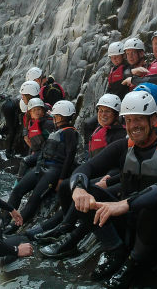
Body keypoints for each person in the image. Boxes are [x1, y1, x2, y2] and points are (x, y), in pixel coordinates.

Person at [65, 91, 157, 288]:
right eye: (128, 120)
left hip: (155, 224)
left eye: (138, 119)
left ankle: (133, 262)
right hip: (127, 219)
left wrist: (126, 204)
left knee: (153, 208)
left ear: (153, 120)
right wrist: (78, 189)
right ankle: (115, 249)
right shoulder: (123, 146)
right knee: (86, 192)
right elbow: (87, 168)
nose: (133, 126)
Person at [30, 93, 126, 253]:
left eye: (107, 111)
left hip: (109, 178)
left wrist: (107, 179)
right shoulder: (98, 129)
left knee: (83, 190)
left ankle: (66, 229)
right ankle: (65, 224)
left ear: (116, 114)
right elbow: (92, 161)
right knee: (67, 186)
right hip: (96, 173)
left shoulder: (119, 135)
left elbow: (119, 165)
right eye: (100, 111)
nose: (102, 115)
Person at [6, 100, 80, 227]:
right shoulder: (55, 131)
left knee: (34, 199)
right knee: (17, 190)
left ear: (62, 117)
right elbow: (43, 151)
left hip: (54, 170)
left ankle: (13, 227)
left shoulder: (69, 132)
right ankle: (5, 220)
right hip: (42, 167)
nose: (54, 118)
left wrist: (61, 179)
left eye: (56, 116)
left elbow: (70, 155)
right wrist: (37, 166)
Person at [17, 97, 55, 178]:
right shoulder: (31, 123)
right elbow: (34, 144)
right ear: (30, 114)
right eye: (33, 110)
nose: (36, 112)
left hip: (48, 153)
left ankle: (18, 183)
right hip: (39, 151)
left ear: (43, 111)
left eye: (38, 109)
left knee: (24, 161)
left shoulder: (48, 123)